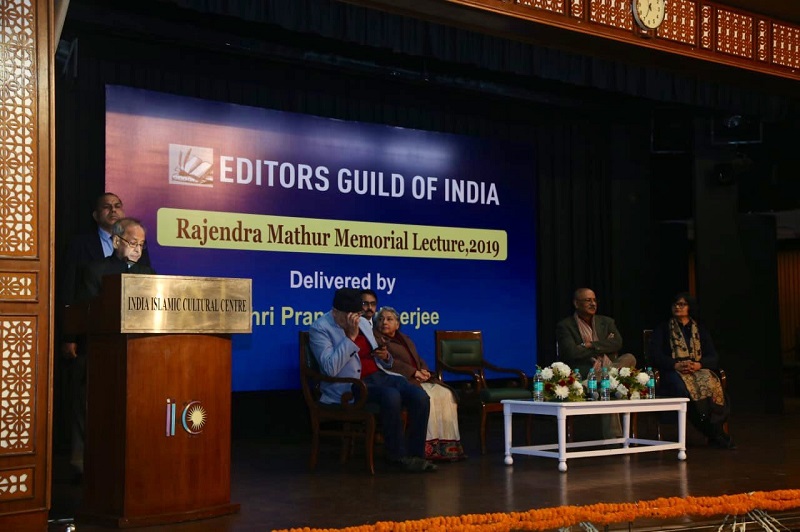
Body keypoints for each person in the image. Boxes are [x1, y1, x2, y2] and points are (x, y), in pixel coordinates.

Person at [58, 193, 151, 480]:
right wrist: (69, 334)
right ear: (116, 242)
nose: (136, 249)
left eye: (140, 245)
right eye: (132, 244)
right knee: (86, 406)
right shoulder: (93, 267)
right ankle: (80, 464)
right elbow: (79, 301)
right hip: (98, 347)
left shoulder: (147, 272)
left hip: (134, 350)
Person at [309, 288, 437, 473]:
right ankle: (397, 456)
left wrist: (386, 357)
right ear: (335, 312)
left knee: (420, 396)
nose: (354, 320)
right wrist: (351, 337)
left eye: (357, 315)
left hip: (379, 375)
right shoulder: (320, 328)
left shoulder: (363, 322)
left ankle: (416, 456)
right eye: (348, 316)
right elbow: (330, 368)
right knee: (391, 396)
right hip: (350, 385)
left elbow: (379, 356)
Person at [374, 306, 466, 462]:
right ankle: (426, 448)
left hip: (418, 377)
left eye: (389, 319)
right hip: (402, 380)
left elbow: (417, 358)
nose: (384, 322)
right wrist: (413, 372)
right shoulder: (377, 340)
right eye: (381, 319)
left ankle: (447, 448)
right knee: (427, 396)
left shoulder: (405, 338)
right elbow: (389, 363)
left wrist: (424, 370)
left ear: (397, 324)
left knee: (445, 394)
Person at [648, 292, 735, 449]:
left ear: (689, 308)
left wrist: (699, 365)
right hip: (672, 370)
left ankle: (715, 432)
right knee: (684, 390)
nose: (677, 307)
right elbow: (655, 356)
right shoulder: (663, 328)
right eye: (675, 304)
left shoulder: (699, 329)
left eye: (682, 304)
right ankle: (715, 434)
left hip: (697, 369)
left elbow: (713, 356)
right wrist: (675, 364)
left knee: (711, 385)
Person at [556, 287, 636, 438]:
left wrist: (590, 345)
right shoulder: (565, 326)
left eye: (594, 300)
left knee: (630, 357)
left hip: (605, 370)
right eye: (588, 300)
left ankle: (604, 377)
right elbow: (571, 352)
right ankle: (615, 439)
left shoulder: (606, 322)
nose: (593, 303)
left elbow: (617, 343)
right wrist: (603, 345)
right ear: (576, 303)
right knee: (609, 389)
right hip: (586, 372)